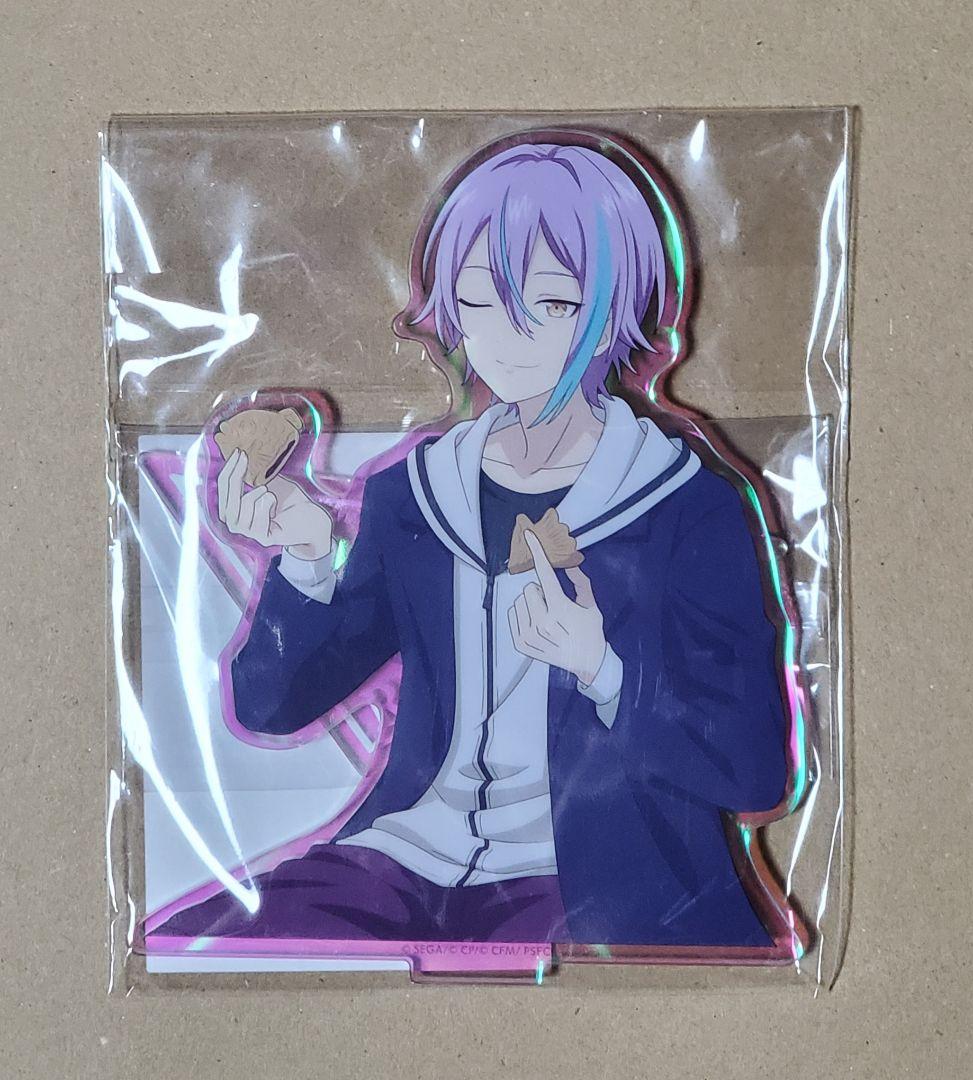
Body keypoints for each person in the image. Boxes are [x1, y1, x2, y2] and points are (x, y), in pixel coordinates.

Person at [155, 139, 790, 948]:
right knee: (198, 948)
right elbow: (272, 707)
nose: (507, 336)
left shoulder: (687, 509)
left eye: (550, 303)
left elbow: (751, 766)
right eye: (481, 300)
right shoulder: (415, 496)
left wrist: (603, 670)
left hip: (600, 883)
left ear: (607, 319)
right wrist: (308, 555)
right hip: (404, 858)